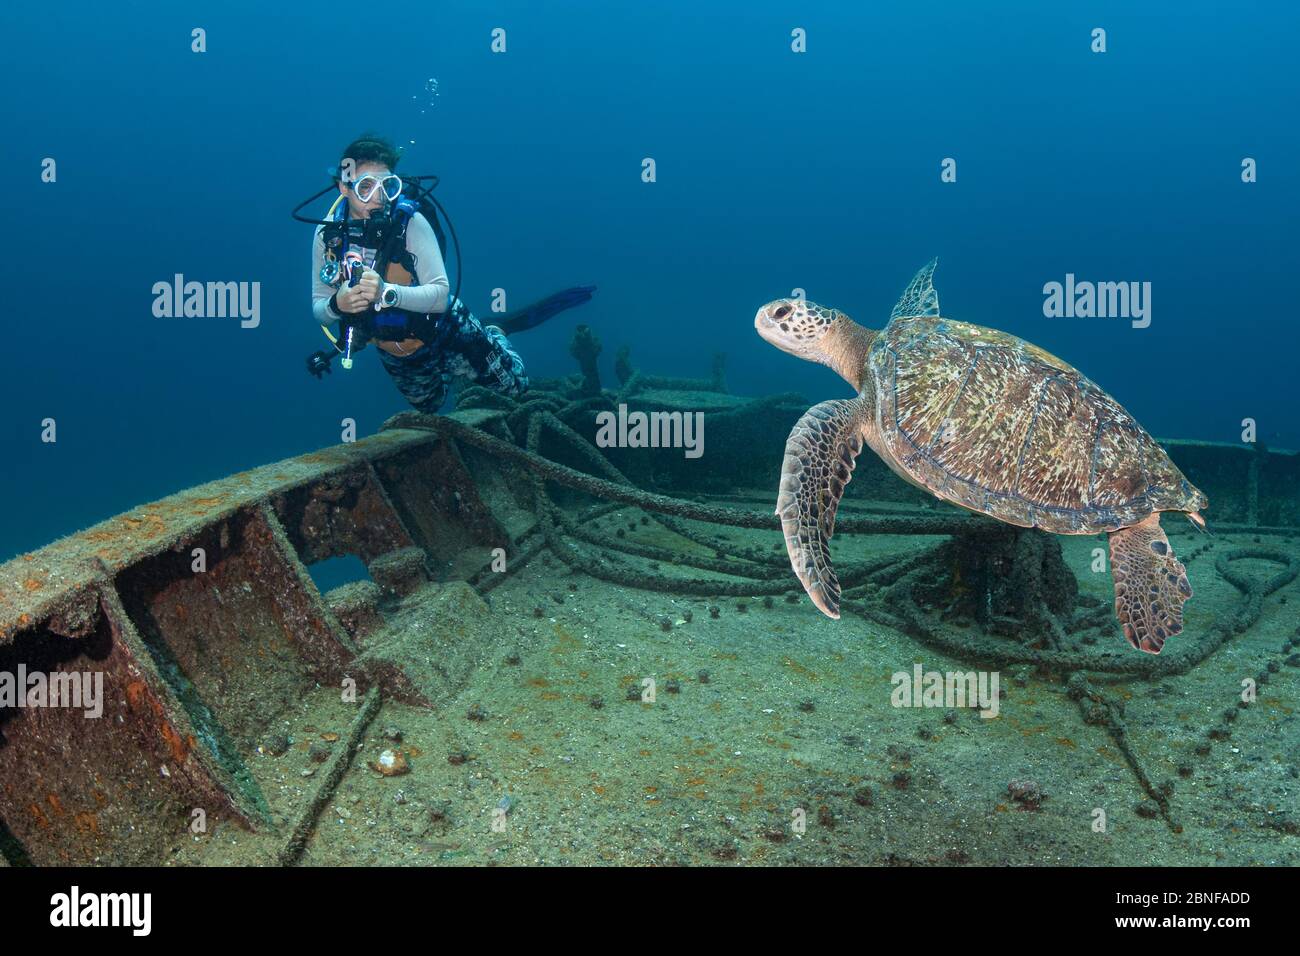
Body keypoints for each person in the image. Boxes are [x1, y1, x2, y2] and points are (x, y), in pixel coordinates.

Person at [310, 134, 589, 412]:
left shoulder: (411, 223)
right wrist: (338, 304)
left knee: (516, 386)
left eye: (388, 186)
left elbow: (441, 294)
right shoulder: (327, 237)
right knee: (430, 405)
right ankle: (453, 368)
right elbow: (320, 308)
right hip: (396, 346)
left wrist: (386, 292)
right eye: (366, 187)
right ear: (343, 188)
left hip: (446, 326)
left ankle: (493, 331)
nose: (379, 198)